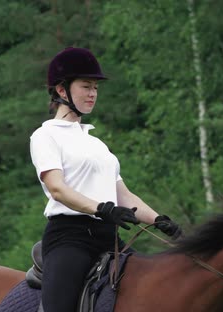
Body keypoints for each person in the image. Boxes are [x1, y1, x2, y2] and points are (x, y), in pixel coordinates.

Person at [29, 47, 182, 312]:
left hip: (108, 239)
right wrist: (103, 208)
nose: (92, 94)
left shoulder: (96, 143)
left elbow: (123, 195)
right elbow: (57, 189)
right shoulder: (45, 136)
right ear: (62, 91)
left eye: (96, 88)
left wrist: (158, 219)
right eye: (86, 86)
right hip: (69, 238)